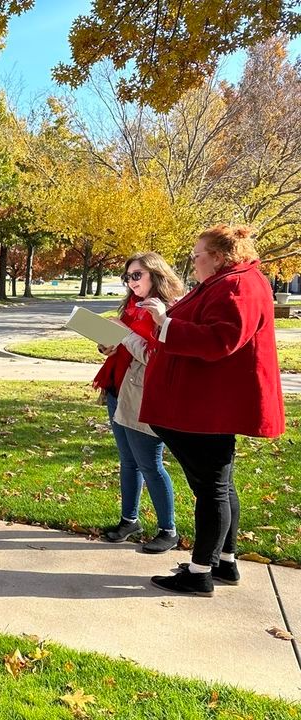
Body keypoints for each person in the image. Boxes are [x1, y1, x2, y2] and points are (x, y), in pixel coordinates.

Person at [139, 224, 285, 597]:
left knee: (212, 490)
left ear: (218, 257)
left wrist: (164, 322)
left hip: (206, 409)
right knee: (219, 487)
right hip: (203, 406)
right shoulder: (229, 281)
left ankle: (199, 571)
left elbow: (221, 340)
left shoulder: (238, 285)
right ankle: (224, 561)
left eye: (197, 255)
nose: (192, 261)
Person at [94, 253, 184, 554]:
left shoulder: (168, 310)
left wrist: (124, 334)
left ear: (156, 275)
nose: (131, 283)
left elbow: (153, 356)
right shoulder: (132, 306)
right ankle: (129, 520)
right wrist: (107, 342)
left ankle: (168, 530)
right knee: (128, 461)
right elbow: (125, 347)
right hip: (117, 389)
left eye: (137, 276)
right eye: (128, 277)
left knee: (150, 463)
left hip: (144, 396)